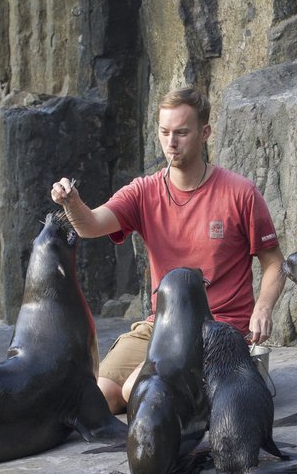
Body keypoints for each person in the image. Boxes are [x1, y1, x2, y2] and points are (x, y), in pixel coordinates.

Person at [51, 87, 284, 414]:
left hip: (216, 331)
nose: (171, 142)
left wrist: (263, 307)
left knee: (138, 389)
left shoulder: (239, 193)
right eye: (164, 132)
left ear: (205, 133)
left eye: (181, 132)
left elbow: (274, 262)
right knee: (97, 396)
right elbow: (89, 226)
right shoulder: (144, 191)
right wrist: (71, 202)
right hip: (160, 325)